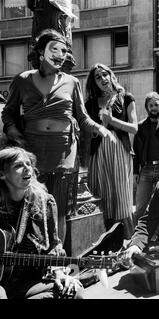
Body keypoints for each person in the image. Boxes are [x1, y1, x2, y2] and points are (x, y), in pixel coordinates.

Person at [1, 29, 114, 244]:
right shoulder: (23, 80)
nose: (61, 54)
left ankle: (56, 258)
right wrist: (14, 133)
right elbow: (9, 113)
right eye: (55, 49)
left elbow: (82, 117)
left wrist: (100, 129)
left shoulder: (72, 82)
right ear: (41, 52)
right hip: (32, 151)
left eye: (64, 50)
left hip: (63, 151)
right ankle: (31, 252)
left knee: (59, 209)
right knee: (32, 205)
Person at [0, 147, 83, 299]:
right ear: (2, 174)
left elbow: (53, 245)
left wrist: (58, 272)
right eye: (18, 165)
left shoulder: (45, 203)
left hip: (31, 282)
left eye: (29, 164)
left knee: (73, 292)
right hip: (3, 285)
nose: (27, 169)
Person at [84, 63, 138, 240]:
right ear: (94, 83)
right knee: (99, 193)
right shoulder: (90, 104)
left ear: (111, 75)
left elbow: (134, 128)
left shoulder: (126, 97)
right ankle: (103, 240)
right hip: (97, 151)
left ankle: (129, 240)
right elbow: (86, 130)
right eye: (97, 77)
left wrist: (111, 120)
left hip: (120, 151)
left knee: (122, 197)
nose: (103, 79)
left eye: (105, 74)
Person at [133, 92, 159, 222]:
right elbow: (136, 151)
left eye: (156, 105)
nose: (153, 108)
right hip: (146, 169)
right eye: (150, 105)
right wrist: (135, 171)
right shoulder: (141, 126)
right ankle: (135, 234)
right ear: (147, 108)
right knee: (140, 206)